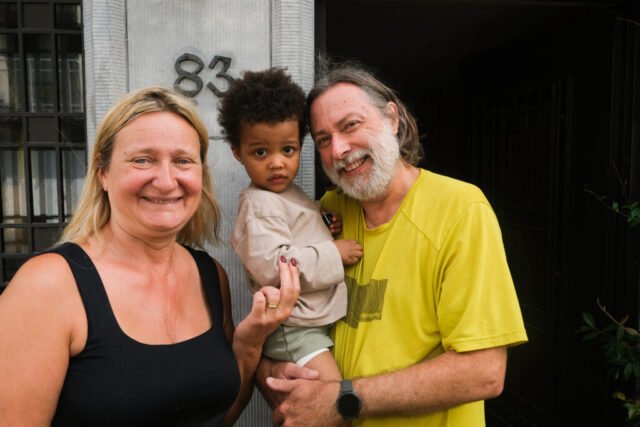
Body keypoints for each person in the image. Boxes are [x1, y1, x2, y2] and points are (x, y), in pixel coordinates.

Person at [0, 86, 300, 426]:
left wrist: (249, 345)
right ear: (103, 172)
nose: (166, 181)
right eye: (143, 160)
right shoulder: (48, 286)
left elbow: (218, 416)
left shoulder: (209, 275)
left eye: (183, 161)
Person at [257, 61, 529, 426]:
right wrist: (274, 372)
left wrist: (342, 400)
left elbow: (484, 371)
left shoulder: (460, 209)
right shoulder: (327, 212)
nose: (339, 149)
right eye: (323, 140)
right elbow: (287, 323)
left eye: (350, 125)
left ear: (392, 118)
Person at [218, 67, 363, 381]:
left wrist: (320, 221)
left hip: (309, 322)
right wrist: (334, 253)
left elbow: (294, 225)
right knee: (331, 392)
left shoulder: (285, 193)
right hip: (293, 329)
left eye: (288, 150)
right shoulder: (258, 203)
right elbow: (275, 265)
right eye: (260, 152)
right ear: (238, 153)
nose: (277, 163)